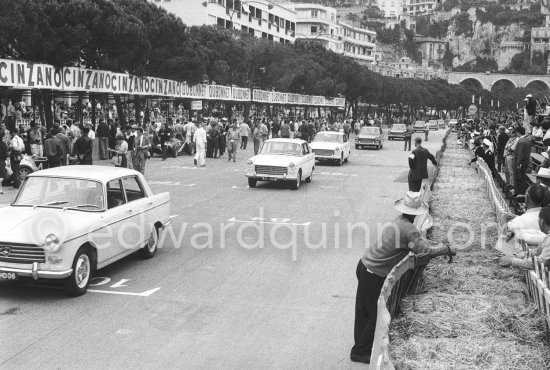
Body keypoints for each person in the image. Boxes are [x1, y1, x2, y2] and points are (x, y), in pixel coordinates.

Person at [351, 191, 456, 364]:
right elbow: (423, 250)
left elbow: (419, 244)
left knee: (363, 311)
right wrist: (445, 249)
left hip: (364, 265)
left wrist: (437, 245)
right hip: (374, 273)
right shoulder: (408, 229)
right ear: (417, 213)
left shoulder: (399, 222)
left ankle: (360, 349)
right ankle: (361, 351)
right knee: (375, 314)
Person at [515, 126, 532, 196]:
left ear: (518, 132)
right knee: (523, 177)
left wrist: (518, 164)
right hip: (526, 160)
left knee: (520, 178)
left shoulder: (521, 141)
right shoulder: (527, 140)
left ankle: (520, 193)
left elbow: (520, 154)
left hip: (522, 162)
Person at [0, 129, 8, 194]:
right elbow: (5, 153)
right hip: (1, 161)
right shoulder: (3, 144)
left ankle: (1, 189)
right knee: (2, 175)